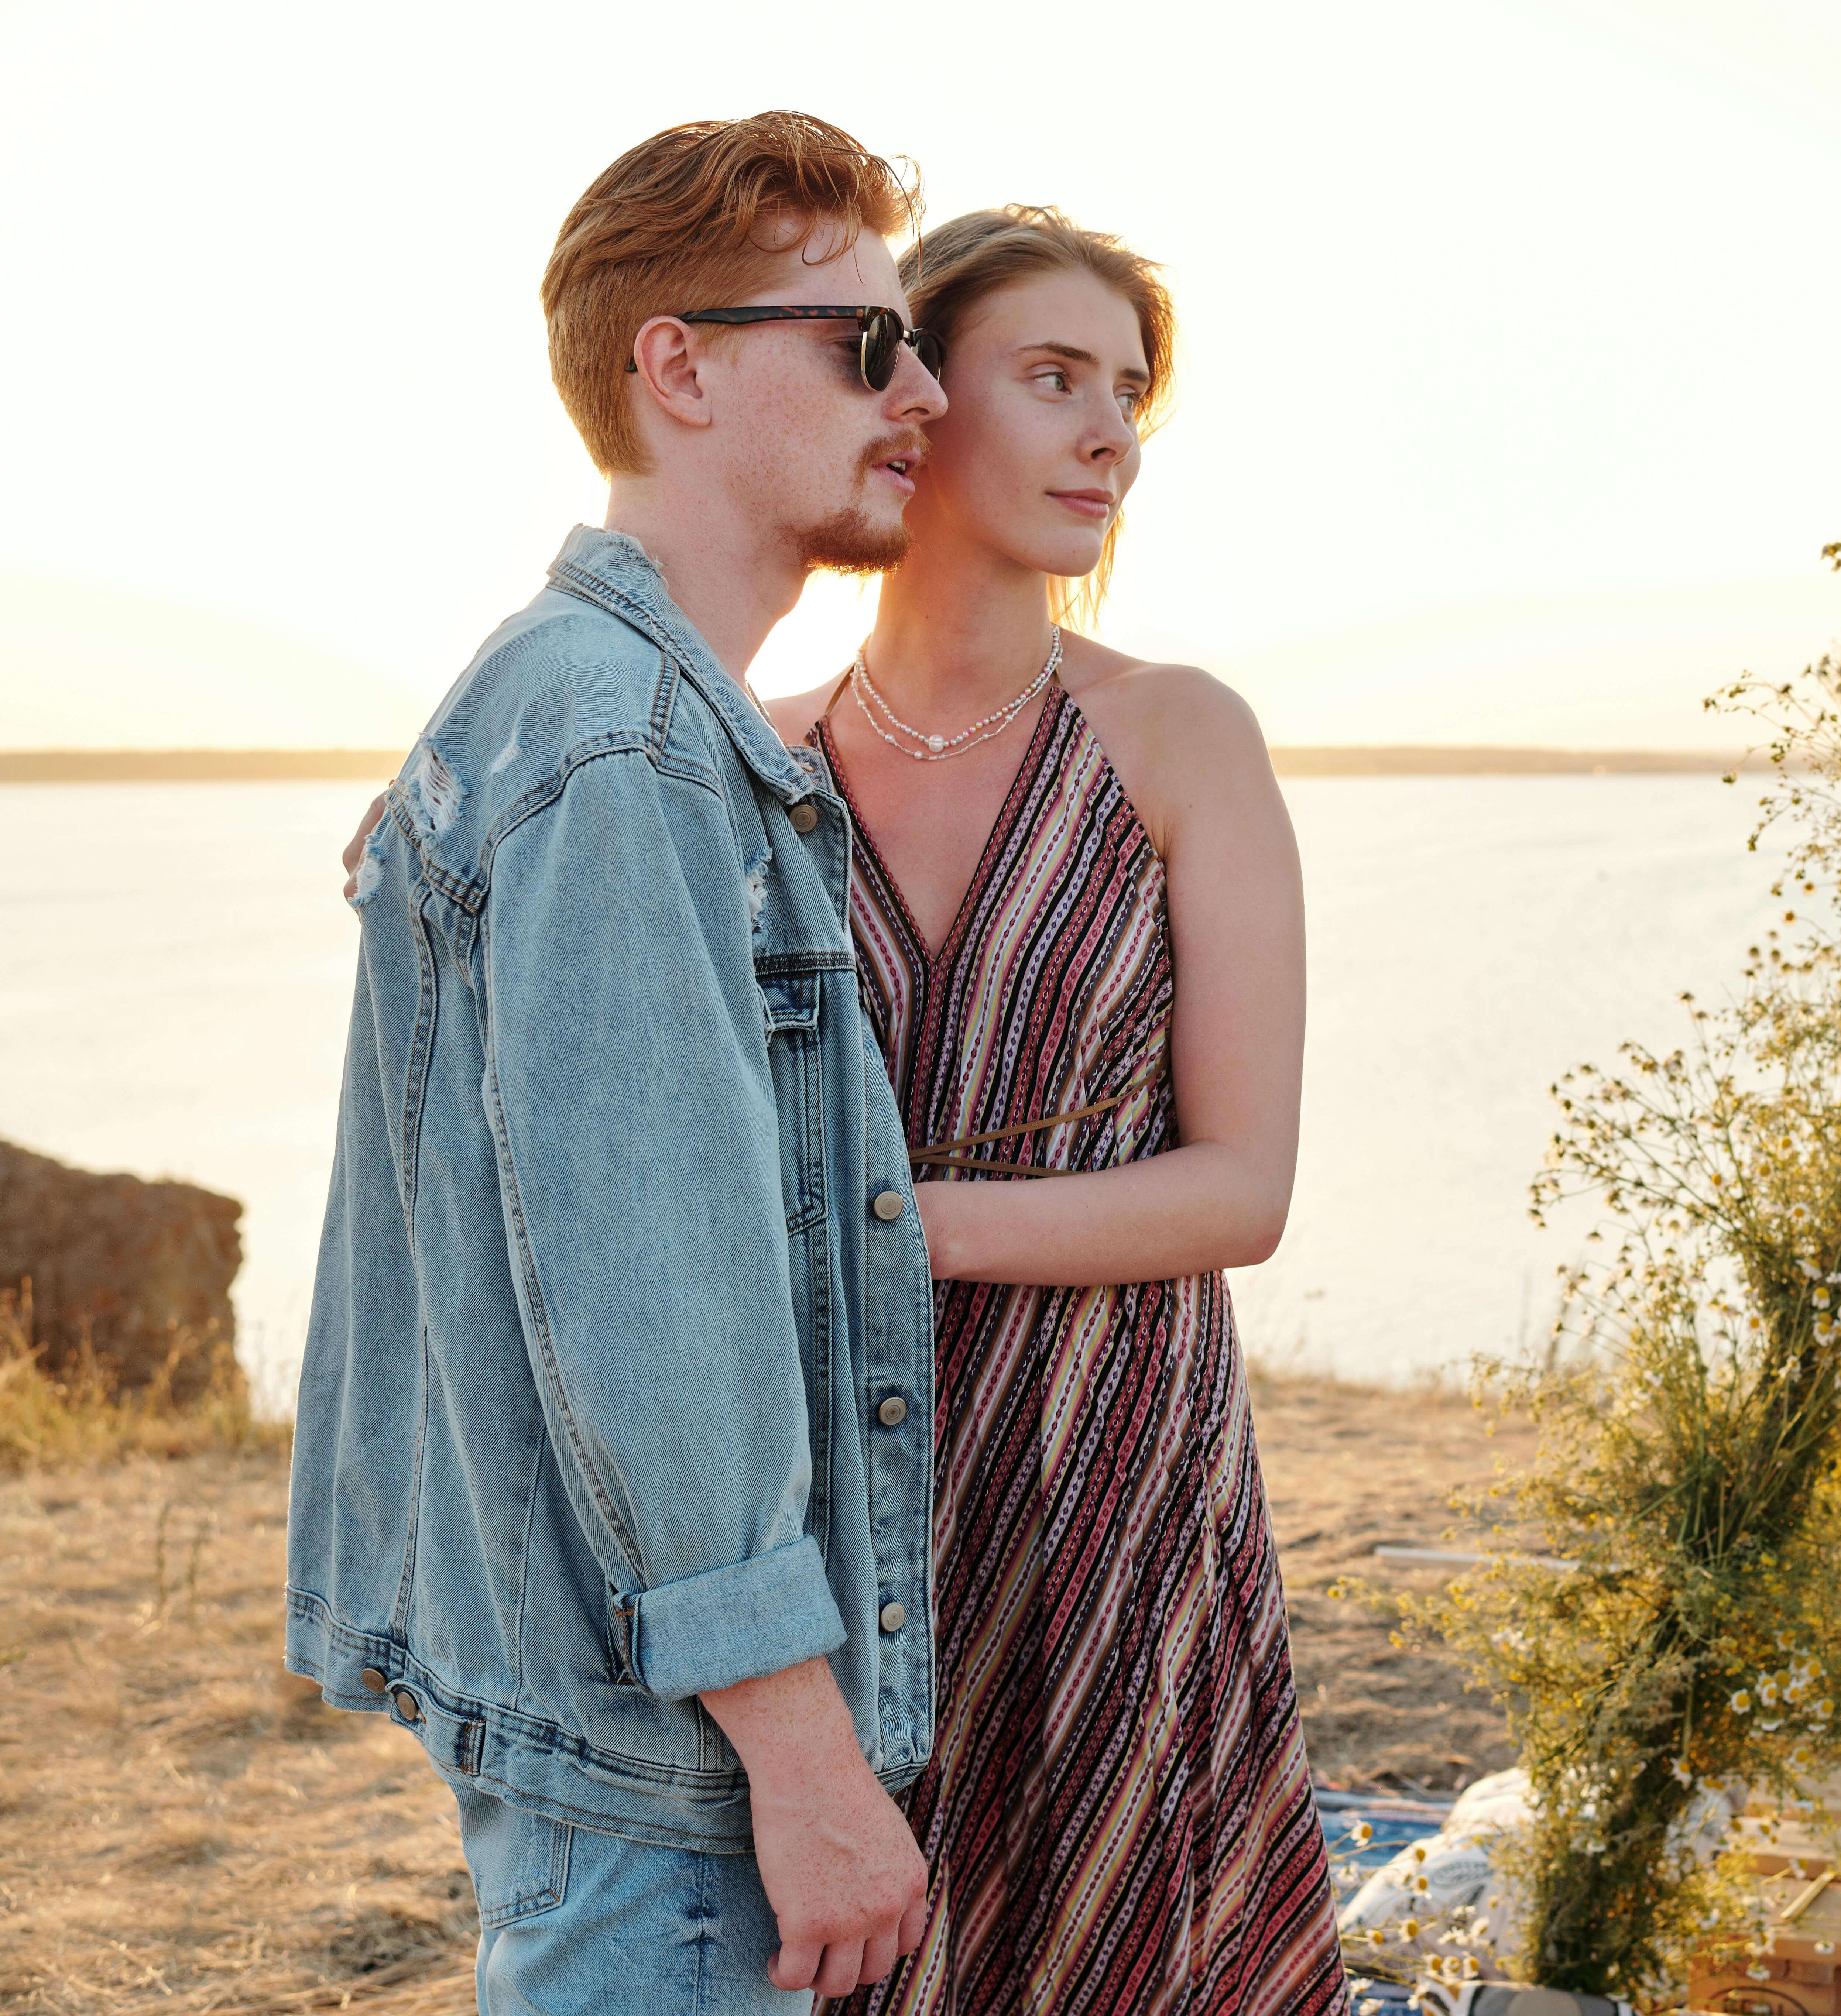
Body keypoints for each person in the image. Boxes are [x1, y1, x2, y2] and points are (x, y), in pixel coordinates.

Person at [289, 113, 950, 2011]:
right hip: (670, 1790)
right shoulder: (624, 751)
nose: (916, 396)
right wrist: (810, 1766)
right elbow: (655, 1304)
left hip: (615, 1748)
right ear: (678, 366)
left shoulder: (600, 711)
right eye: (861, 346)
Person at [765, 208, 1344, 2015]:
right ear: (914, 396)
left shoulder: (1178, 736)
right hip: (839, 1474)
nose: (1113, 436)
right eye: (1055, 378)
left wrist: (896, 1229)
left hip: (1107, 1460)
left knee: (1114, 1941)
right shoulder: (757, 760)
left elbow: (1240, 1186)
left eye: (1129, 393)